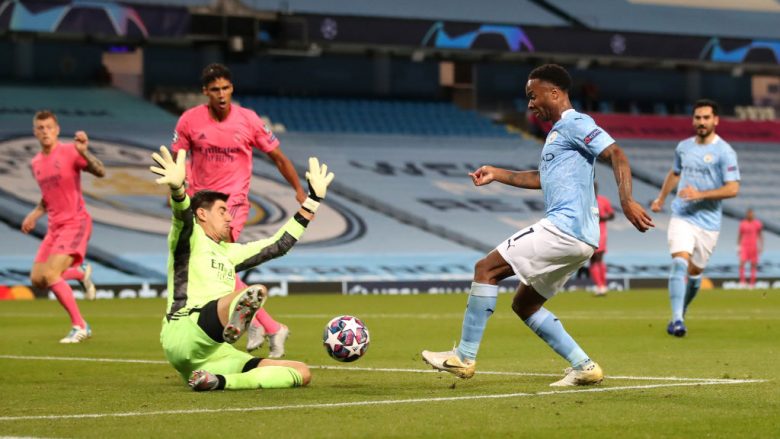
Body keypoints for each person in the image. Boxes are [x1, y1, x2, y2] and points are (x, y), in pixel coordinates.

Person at [421, 64, 654, 387]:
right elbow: (542, 179)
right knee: (525, 304)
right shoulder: (558, 134)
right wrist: (496, 173)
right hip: (582, 239)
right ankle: (584, 366)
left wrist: (626, 199)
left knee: (485, 269)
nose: (529, 103)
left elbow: (616, 153)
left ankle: (464, 356)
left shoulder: (575, 123)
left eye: (533, 96)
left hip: (563, 228)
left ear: (555, 93)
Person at [150, 145, 334, 391]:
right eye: (223, 211)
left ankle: (220, 382)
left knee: (301, 372)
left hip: (216, 354)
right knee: (252, 292)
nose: (229, 217)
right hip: (184, 331)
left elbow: (278, 244)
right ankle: (238, 319)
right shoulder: (189, 238)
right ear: (202, 214)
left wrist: (312, 201)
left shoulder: (230, 253)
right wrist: (178, 190)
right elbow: (182, 216)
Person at [172, 63, 307, 358]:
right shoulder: (189, 121)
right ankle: (265, 323)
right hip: (200, 206)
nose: (221, 94)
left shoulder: (249, 120)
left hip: (232, 203)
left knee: (219, 263)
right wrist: (178, 186)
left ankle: (263, 323)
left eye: (226, 88)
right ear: (205, 92)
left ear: (232, 88)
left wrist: (298, 188)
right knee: (217, 266)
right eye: (215, 89)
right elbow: (176, 158)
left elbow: (278, 158)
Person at [651, 99, 740, 337]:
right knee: (680, 261)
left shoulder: (725, 152)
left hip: (709, 223)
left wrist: (700, 194)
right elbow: (675, 172)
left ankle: (683, 307)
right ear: (693, 120)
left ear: (716, 120)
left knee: (695, 274)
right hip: (682, 215)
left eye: (706, 118)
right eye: (698, 118)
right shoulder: (683, 147)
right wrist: (661, 198)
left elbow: (732, 189)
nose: (701, 122)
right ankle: (677, 319)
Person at [21, 110, 104, 343]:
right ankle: (80, 272)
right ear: (35, 132)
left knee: (51, 274)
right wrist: (35, 213)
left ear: (57, 130)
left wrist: (85, 152)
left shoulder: (70, 151)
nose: (45, 131)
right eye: (40, 128)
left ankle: (80, 326)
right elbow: (48, 196)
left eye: (49, 127)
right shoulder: (36, 162)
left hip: (75, 222)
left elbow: (101, 171)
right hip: (53, 227)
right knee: (38, 279)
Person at [591, 182, 615, 296]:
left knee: (598, 258)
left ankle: (602, 285)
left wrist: (604, 217)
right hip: (588, 233)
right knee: (592, 259)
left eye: (595, 187)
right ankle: (599, 285)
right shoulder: (585, 201)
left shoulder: (603, 201)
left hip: (601, 233)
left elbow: (612, 215)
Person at [738, 208, 762, 288]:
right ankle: (742, 282)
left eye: (751, 213)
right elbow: (740, 236)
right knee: (742, 263)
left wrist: (760, 246)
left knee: (753, 264)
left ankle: (752, 283)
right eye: (748, 214)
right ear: (747, 214)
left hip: (753, 246)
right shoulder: (743, 223)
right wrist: (738, 247)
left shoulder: (757, 223)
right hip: (744, 246)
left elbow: (760, 235)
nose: (750, 215)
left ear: (753, 214)